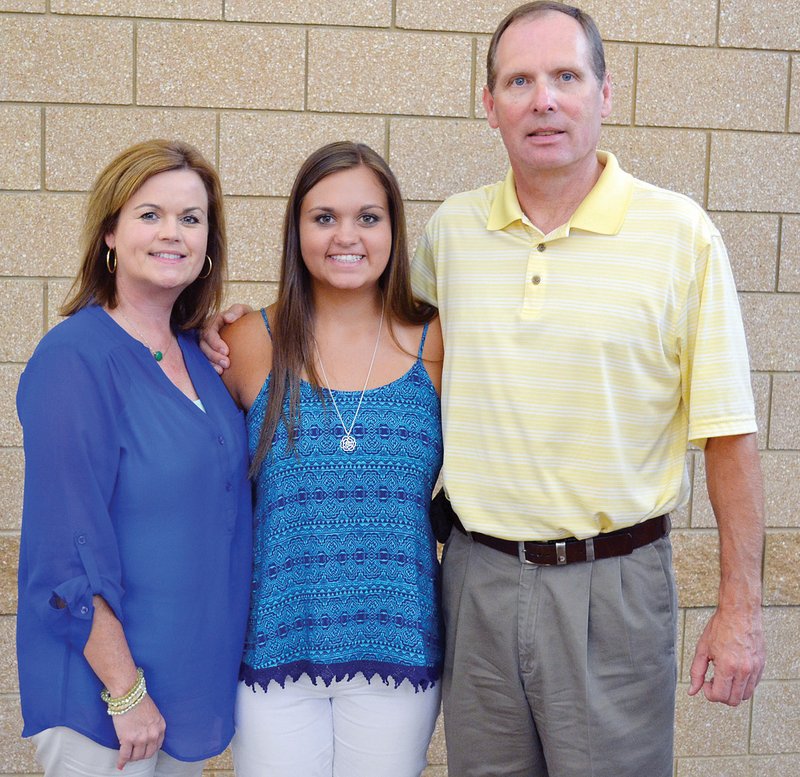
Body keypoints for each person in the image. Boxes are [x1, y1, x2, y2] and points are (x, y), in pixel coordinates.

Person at [201, 4, 766, 774]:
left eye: (566, 76)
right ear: (489, 104)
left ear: (605, 93)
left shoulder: (680, 235)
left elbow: (730, 432)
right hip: (479, 579)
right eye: (519, 80)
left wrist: (740, 607)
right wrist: (227, 322)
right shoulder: (454, 236)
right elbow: (370, 315)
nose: (544, 99)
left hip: (614, 583)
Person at [16, 139, 252, 777]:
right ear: (110, 234)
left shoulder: (205, 358)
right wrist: (125, 693)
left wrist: (238, 328)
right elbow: (65, 549)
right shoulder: (74, 359)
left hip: (185, 679)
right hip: (109, 696)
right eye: (150, 215)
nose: (172, 233)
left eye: (191, 218)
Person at [218, 141, 444, 777]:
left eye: (368, 218)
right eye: (324, 218)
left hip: (396, 641)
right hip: (272, 644)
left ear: (394, 231)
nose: (347, 236)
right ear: (297, 230)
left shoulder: (438, 343)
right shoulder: (246, 340)